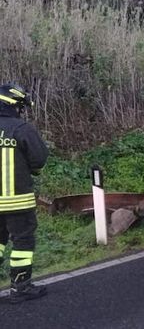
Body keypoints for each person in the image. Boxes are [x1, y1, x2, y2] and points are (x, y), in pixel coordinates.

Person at [0, 82, 49, 304]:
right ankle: (20, 286)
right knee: (22, 242)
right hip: (17, 200)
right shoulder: (21, 129)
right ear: (14, 105)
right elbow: (38, 159)